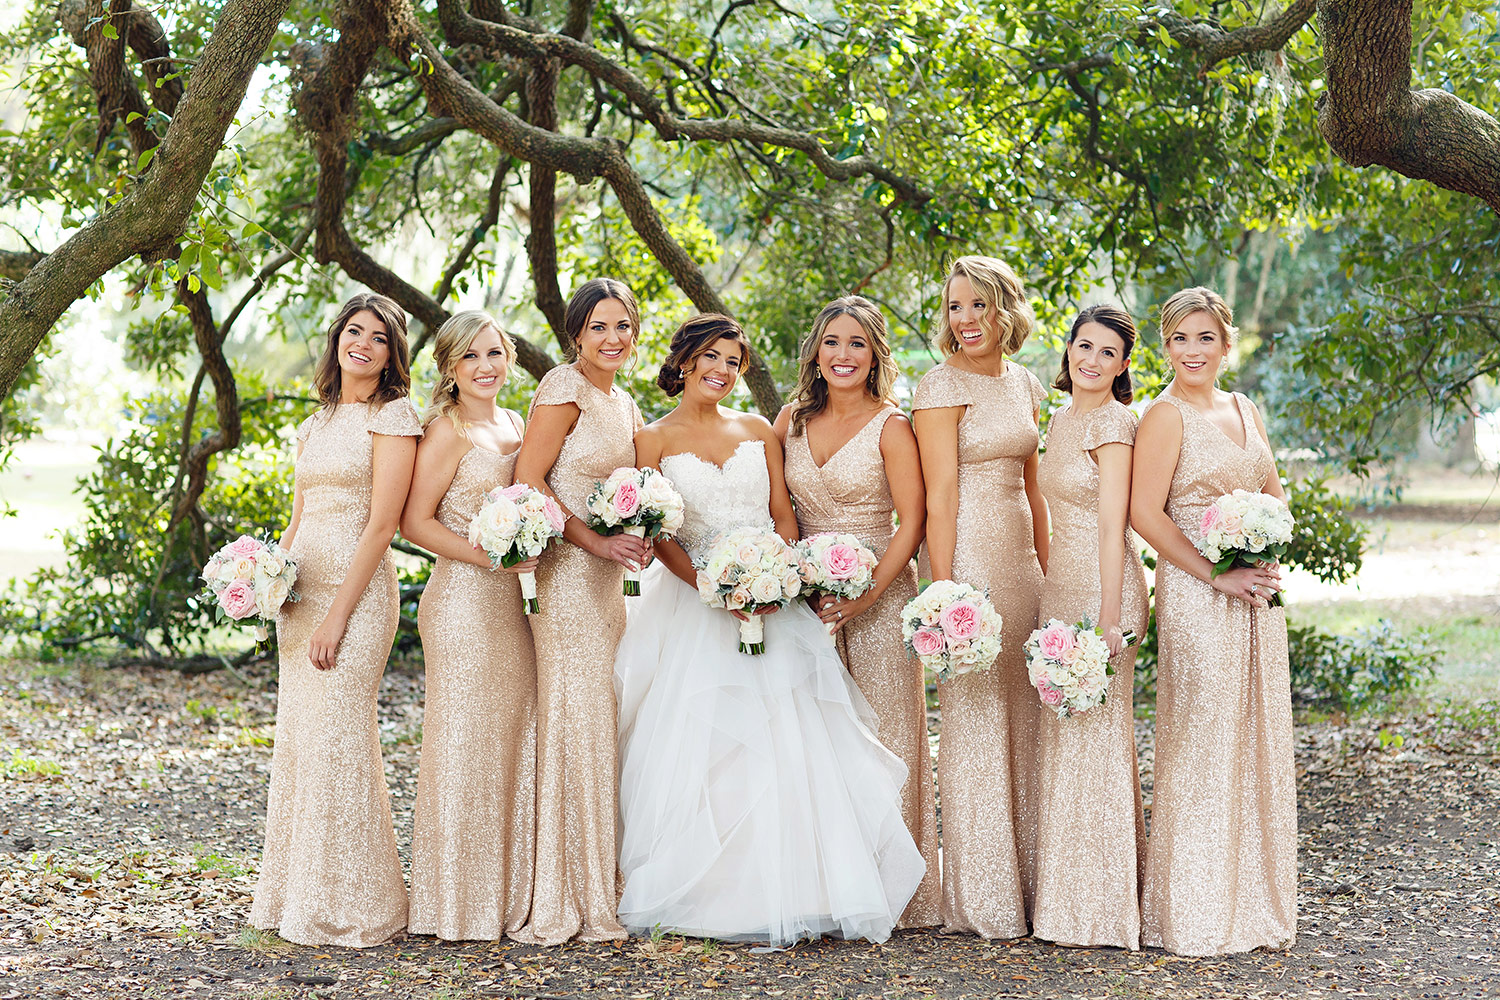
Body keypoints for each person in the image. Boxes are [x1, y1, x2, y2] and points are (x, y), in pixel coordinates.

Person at [614, 313, 924, 946]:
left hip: (773, 601)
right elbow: (659, 531)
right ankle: (711, 889)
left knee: (791, 739)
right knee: (706, 742)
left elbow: (784, 515)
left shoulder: (760, 429)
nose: (721, 370)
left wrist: (771, 576)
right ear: (684, 360)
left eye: (732, 361)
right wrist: (713, 585)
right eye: (710, 357)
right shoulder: (651, 438)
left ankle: (802, 889)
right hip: (696, 606)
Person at [250, 292, 421, 947]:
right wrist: (268, 583)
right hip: (300, 597)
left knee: (340, 739)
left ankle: (358, 902)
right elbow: (298, 518)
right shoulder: (316, 421)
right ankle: (298, 895)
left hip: (358, 595)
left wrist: (337, 619)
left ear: (392, 353)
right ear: (337, 339)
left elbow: (382, 526)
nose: (363, 345)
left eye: (379, 338)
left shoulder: (394, 417)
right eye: (354, 331)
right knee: (303, 740)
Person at [1131, 287, 1296, 956]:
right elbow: (1145, 513)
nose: (1191, 350)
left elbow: (1275, 496)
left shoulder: (1245, 408)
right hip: (1198, 595)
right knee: (1203, 741)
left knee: (1253, 738)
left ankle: (1250, 904)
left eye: (1204, 337)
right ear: (1165, 347)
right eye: (1179, 338)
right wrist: (1215, 572)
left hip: (1255, 595)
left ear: (1227, 344)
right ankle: (1193, 912)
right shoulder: (1163, 416)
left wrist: (1263, 542)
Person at [775, 295, 940, 928]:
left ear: (875, 356)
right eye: (832, 342)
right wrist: (790, 578)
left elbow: (912, 522)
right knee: (814, 737)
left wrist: (864, 597)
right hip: (804, 599)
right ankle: (827, 893)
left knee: (885, 737)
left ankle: (899, 896)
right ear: (815, 351)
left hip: (878, 595)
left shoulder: (892, 426)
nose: (843, 355)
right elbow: (775, 507)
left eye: (857, 344)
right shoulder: (789, 421)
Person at [910, 255, 1048, 937]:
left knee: (1028, 715)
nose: (966, 319)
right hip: (966, 559)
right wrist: (942, 591)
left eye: (979, 304)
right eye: (955, 306)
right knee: (975, 719)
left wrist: (1050, 574)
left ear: (1005, 310)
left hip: (1023, 564)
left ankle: (1034, 885)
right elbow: (938, 496)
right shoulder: (938, 387)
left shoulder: (1025, 383)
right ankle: (984, 896)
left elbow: (1035, 487)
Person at [512, 279, 648, 945]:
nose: (612, 338)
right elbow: (529, 478)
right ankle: (567, 890)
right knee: (575, 714)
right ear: (576, 336)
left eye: (622, 326)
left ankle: (604, 878)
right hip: (566, 578)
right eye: (599, 327)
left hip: (610, 581)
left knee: (602, 716)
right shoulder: (563, 389)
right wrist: (595, 541)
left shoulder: (624, 401)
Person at [400, 311, 537, 941]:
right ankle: (454, 902)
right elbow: (415, 522)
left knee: (509, 740)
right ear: (450, 367)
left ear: (509, 358)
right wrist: (489, 558)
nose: (486, 367)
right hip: (461, 603)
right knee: (464, 744)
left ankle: (503, 894)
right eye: (471, 356)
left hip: (513, 604)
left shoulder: (516, 424)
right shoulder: (446, 429)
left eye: (495, 353)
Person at [1031, 305, 1149, 949]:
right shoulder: (1060, 418)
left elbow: (1112, 525)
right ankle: (1064, 898)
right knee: (1065, 740)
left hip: (1107, 589)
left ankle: (1101, 909)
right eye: (1084, 346)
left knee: (1097, 740)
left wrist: (1109, 617)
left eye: (1108, 352)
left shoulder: (1115, 423)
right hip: (1061, 587)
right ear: (1068, 349)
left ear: (1124, 364)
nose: (1092, 360)